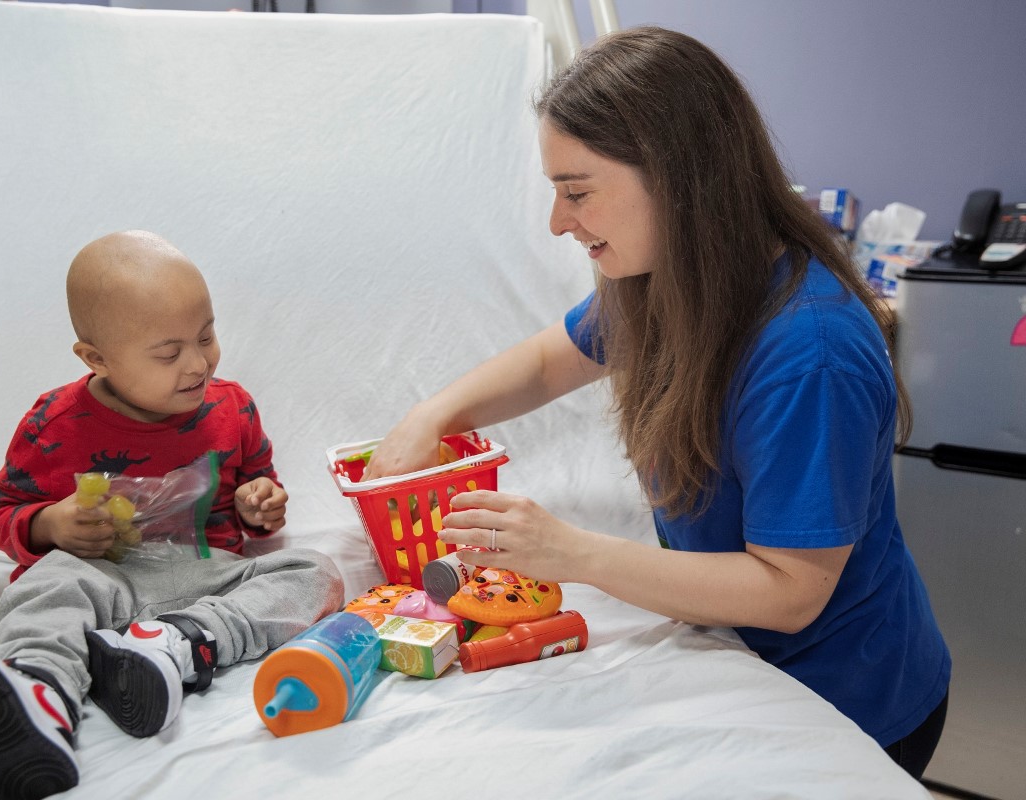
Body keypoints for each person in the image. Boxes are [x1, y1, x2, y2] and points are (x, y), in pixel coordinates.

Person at [364, 27, 949, 780]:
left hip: (853, 703)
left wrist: (572, 554)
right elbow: (552, 360)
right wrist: (430, 417)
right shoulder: (667, 279)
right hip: (741, 662)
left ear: (677, 177)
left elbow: (791, 592)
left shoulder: (810, 353)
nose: (557, 223)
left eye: (576, 193)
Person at [0, 230, 344, 800]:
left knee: (316, 572)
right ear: (97, 359)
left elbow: (262, 489)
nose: (198, 363)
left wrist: (259, 504)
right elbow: (4, 516)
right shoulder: (54, 424)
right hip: (100, 575)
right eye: (168, 352)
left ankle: (180, 644)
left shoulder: (232, 408)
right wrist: (51, 524)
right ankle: (41, 693)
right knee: (45, 589)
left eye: (206, 336)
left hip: (202, 576)